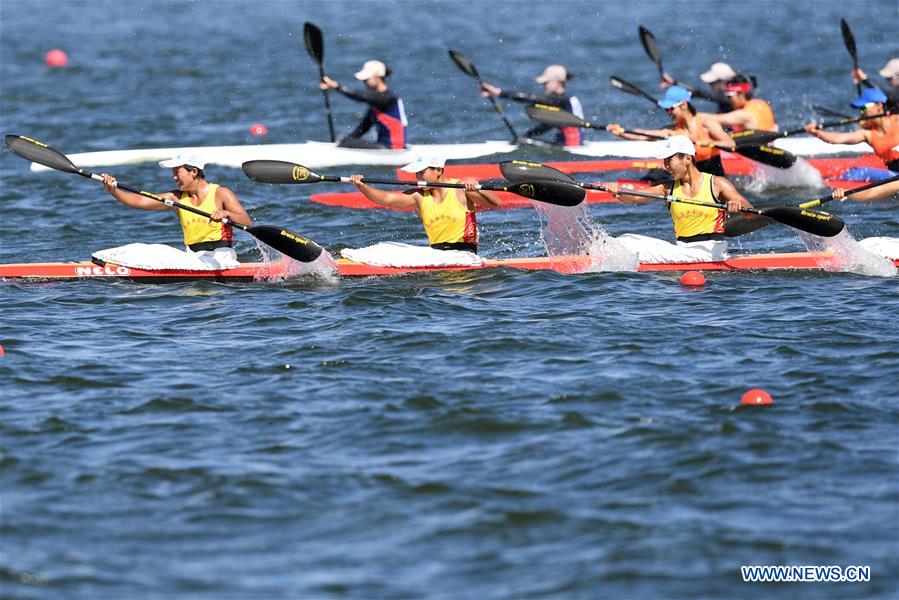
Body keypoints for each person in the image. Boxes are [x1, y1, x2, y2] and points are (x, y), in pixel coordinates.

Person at [604, 136, 754, 262]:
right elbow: (635, 197)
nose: (665, 166)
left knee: (626, 245)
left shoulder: (717, 184)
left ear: (687, 159)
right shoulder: (667, 188)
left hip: (711, 253)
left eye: (669, 160)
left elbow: (751, 214)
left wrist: (737, 205)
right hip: (683, 250)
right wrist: (617, 192)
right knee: (628, 239)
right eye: (664, 161)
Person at [100, 154, 252, 265]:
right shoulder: (176, 198)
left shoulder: (221, 193)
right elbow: (140, 201)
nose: (173, 177)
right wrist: (113, 190)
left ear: (193, 172)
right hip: (193, 257)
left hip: (221, 258)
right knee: (144, 249)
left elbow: (247, 223)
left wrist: (226, 214)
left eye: (177, 172)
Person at [347, 155, 501, 253]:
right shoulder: (418, 196)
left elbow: (496, 204)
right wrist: (362, 186)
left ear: (439, 171)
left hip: (464, 254)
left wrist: (478, 187)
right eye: (417, 173)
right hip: (436, 254)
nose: (418, 177)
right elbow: (386, 198)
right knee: (386, 248)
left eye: (422, 172)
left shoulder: (461, 189)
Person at [606, 85, 735, 176]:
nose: (668, 112)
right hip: (691, 181)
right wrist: (621, 132)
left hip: (715, 176)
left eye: (671, 108)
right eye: (666, 109)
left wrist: (711, 143)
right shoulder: (672, 131)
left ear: (684, 105)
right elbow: (643, 135)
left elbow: (730, 144)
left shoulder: (706, 123)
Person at [480, 65, 584, 146]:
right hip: (567, 143)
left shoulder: (561, 99)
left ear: (557, 82)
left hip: (571, 146)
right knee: (525, 142)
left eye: (545, 83)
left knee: (524, 144)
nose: (544, 87)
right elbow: (550, 124)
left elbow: (531, 98)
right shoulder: (564, 99)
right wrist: (529, 134)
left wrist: (499, 92)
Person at [804, 87, 899, 171]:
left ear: (879, 106)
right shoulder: (867, 134)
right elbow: (837, 138)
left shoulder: (897, 119)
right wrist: (816, 132)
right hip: (894, 171)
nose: (862, 113)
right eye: (860, 109)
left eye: (864, 108)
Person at [319, 59, 407, 150]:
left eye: (366, 79)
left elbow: (362, 96)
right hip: (384, 147)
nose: (364, 83)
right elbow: (363, 128)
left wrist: (338, 87)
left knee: (347, 143)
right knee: (347, 141)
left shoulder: (388, 98)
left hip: (392, 149)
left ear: (379, 77)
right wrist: (344, 141)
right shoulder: (375, 104)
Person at [703, 75, 777, 132]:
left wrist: (693, 115)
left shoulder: (744, 114)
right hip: (769, 145)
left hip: (755, 150)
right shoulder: (761, 103)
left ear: (741, 94)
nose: (728, 100)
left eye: (729, 97)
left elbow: (714, 119)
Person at [660, 62, 735, 114]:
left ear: (722, 81)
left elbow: (699, 92)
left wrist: (675, 83)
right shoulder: (724, 95)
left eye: (712, 83)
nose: (710, 86)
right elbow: (696, 93)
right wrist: (674, 84)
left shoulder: (727, 97)